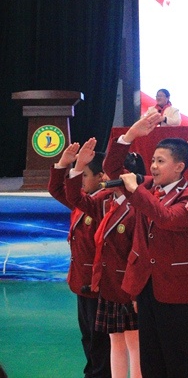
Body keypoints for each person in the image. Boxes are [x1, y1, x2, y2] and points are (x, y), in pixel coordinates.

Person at [103, 112, 188, 378]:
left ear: (179, 167)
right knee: (150, 359)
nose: (154, 167)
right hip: (146, 284)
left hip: (175, 288)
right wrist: (130, 136)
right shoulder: (149, 187)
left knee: (178, 361)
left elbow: (166, 218)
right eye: (153, 161)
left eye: (161, 161)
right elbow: (112, 169)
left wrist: (137, 190)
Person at [66, 144, 144, 378]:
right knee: (112, 342)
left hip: (126, 287)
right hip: (106, 285)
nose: (105, 178)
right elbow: (72, 196)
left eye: (110, 173)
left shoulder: (136, 206)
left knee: (133, 345)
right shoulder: (105, 201)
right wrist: (77, 166)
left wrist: (135, 292)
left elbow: (138, 252)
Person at [48, 140, 112, 378]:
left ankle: (100, 374)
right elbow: (57, 190)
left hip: (98, 283)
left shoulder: (103, 203)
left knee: (99, 338)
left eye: (84, 174)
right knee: (88, 335)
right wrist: (63, 164)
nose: (81, 180)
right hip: (81, 280)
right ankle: (92, 372)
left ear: (101, 176)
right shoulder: (85, 200)